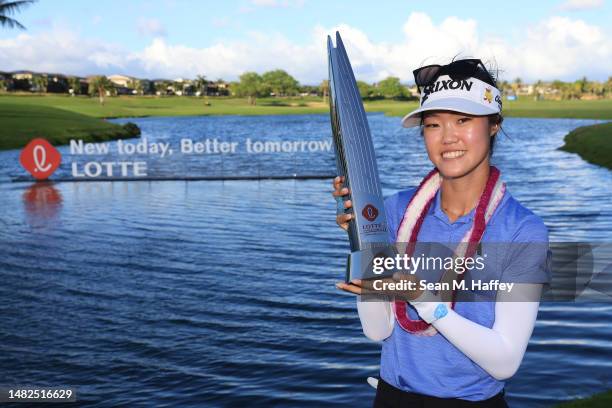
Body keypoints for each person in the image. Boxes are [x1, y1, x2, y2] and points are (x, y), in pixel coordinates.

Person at [331, 59, 551, 407]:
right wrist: (362, 240)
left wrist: (421, 298)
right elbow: (378, 330)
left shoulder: (523, 230)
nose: (447, 137)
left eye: (463, 120)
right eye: (433, 124)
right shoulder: (394, 211)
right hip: (391, 397)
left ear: (495, 124)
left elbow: (505, 361)